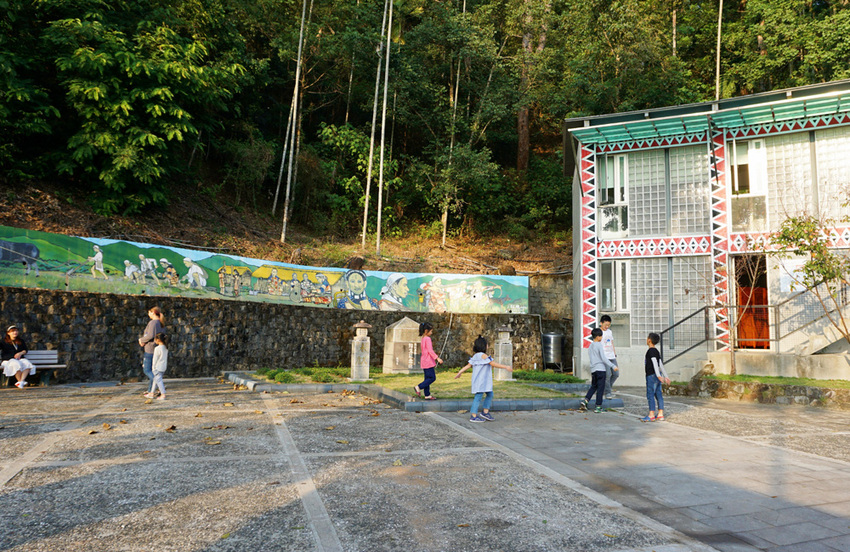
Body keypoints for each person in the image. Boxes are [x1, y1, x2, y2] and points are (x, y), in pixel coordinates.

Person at [454, 335, 512, 423]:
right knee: (479, 397)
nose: (488, 346)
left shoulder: (475, 356)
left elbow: (468, 365)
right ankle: (473, 415)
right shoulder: (483, 356)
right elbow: (493, 364)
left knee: (489, 394)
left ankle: (485, 412)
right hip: (482, 382)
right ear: (483, 346)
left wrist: (460, 372)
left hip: (481, 381)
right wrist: (505, 367)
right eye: (487, 344)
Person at [579, 328, 615, 413]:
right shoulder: (599, 345)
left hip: (593, 370)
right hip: (601, 369)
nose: (602, 337)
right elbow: (603, 358)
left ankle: (585, 401)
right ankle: (598, 407)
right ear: (598, 337)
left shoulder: (591, 346)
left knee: (593, 386)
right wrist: (612, 365)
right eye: (601, 335)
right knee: (600, 389)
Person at [643, 332, 671, 422]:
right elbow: (661, 365)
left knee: (650, 394)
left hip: (652, 375)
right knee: (658, 394)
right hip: (657, 375)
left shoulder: (650, 351)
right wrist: (665, 376)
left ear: (649, 340)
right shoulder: (657, 351)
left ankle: (651, 414)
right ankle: (660, 414)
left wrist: (658, 375)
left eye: (647, 338)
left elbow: (655, 363)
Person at [139, 306, 165, 396]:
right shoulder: (160, 323)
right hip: (156, 348)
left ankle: (157, 385)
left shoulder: (153, 323)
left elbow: (150, 335)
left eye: (149, 312)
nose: (148, 314)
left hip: (150, 349)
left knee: (147, 370)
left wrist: (141, 340)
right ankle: (151, 390)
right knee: (153, 370)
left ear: (153, 312)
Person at [413, 322, 443, 400]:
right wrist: (437, 358)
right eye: (431, 331)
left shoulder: (423, 338)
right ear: (426, 331)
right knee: (432, 378)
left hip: (424, 360)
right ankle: (418, 387)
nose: (431, 333)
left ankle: (427, 394)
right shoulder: (427, 339)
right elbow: (430, 350)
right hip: (428, 361)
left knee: (427, 379)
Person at [144, 333, 168, 400]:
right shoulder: (165, 348)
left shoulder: (157, 349)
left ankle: (163, 394)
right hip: (163, 367)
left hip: (157, 367)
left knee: (159, 381)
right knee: (155, 379)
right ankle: (151, 393)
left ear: (158, 340)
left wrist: (153, 368)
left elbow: (155, 360)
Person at [600, 315, 619, 399]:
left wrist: (614, 354)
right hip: (604, 357)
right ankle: (608, 392)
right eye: (605, 325)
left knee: (616, 374)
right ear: (601, 323)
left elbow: (611, 343)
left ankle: (607, 388)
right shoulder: (598, 333)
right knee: (607, 375)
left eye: (608, 325)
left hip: (611, 356)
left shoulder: (609, 332)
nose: (607, 327)